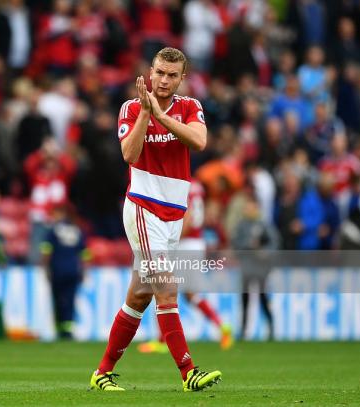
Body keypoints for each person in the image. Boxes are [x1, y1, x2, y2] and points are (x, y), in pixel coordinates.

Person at [89, 47, 221, 392]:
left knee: (139, 297)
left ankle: (101, 372)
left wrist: (161, 116)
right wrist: (147, 114)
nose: (163, 80)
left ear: (182, 78)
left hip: (173, 217)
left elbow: (200, 141)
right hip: (144, 210)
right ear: (150, 71)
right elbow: (129, 154)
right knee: (167, 288)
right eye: (159, 72)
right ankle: (188, 372)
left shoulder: (190, 107)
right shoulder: (131, 108)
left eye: (171, 75)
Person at [137, 180, 233, 353]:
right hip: (196, 243)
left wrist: (170, 241)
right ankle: (221, 326)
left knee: (162, 288)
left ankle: (162, 340)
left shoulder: (180, 184)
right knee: (189, 294)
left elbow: (187, 217)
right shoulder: (197, 186)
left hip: (184, 243)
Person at [231, 195, 279, 340]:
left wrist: (265, 252)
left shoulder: (263, 224)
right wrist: (248, 247)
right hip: (247, 266)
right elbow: (236, 245)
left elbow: (274, 243)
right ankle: (244, 331)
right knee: (245, 298)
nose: (248, 210)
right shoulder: (241, 226)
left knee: (262, 297)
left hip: (260, 267)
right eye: (247, 207)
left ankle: (271, 328)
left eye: (251, 207)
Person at [40, 203, 88, 339]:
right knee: (70, 300)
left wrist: (45, 269)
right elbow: (84, 254)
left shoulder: (52, 230)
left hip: (57, 270)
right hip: (73, 270)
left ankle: (59, 329)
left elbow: (46, 251)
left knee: (57, 299)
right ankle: (68, 330)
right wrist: (83, 271)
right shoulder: (77, 230)